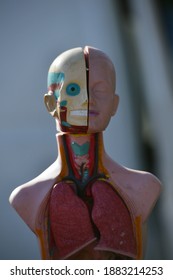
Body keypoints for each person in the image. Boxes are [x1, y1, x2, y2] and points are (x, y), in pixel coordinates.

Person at [9, 46, 161, 260]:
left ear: (114, 104)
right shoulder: (27, 197)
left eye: (99, 90)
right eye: (72, 90)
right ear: (50, 103)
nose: (87, 99)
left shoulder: (144, 187)